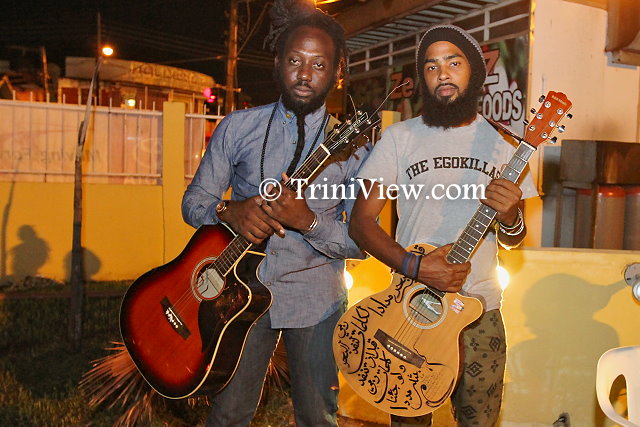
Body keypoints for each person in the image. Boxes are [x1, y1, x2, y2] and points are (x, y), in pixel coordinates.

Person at [181, 1, 368, 425]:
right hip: (239, 298)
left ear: (337, 72)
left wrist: (309, 222)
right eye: (295, 61)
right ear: (278, 63)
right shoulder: (238, 127)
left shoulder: (356, 150)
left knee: (317, 416)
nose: (305, 74)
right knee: (229, 413)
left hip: (317, 299)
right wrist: (228, 210)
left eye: (319, 64)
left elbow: (360, 242)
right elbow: (193, 202)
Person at [348, 24, 537, 426]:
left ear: (475, 72)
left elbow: (516, 240)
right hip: (410, 307)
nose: (443, 74)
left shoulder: (506, 146)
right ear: (422, 78)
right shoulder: (398, 138)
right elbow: (360, 223)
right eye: (431, 67)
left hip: (480, 312)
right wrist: (416, 267)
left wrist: (510, 216)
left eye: (454, 62)